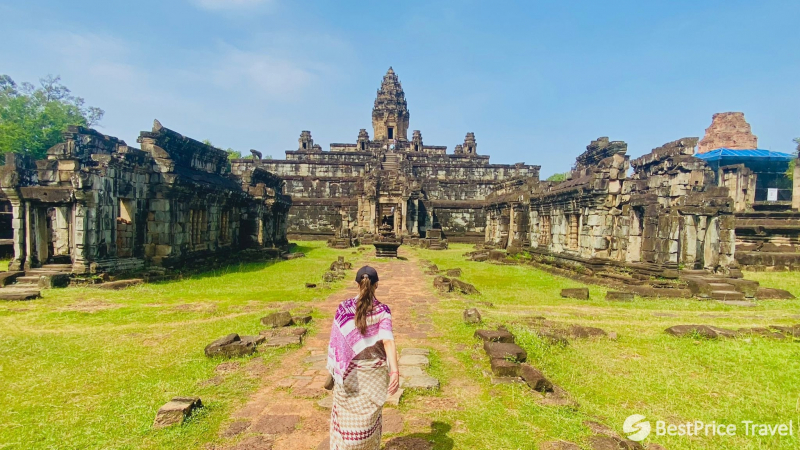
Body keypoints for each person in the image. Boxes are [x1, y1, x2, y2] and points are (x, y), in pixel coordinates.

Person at [327, 266, 399, 449]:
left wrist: (333, 371)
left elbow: (336, 345)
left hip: (349, 375)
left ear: (357, 284)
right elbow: (388, 342)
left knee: (344, 423)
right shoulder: (383, 311)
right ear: (377, 285)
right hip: (374, 376)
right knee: (370, 425)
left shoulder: (343, 309)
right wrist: (395, 371)